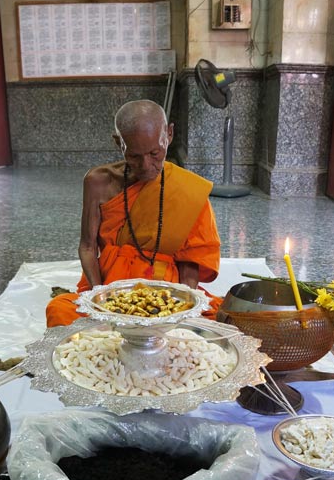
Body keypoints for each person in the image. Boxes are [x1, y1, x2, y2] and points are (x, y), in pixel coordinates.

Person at [46, 99, 222, 327]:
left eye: (155, 153)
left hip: (166, 292)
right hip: (111, 288)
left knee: (223, 319)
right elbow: (88, 247)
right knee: (59, 310)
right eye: (134, 156)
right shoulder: (98, 182)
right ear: (119, 142)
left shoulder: (187, 190)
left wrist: (182, 311)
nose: (146, 165)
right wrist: (101, 300)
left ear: (169, 134)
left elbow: (191, 260)